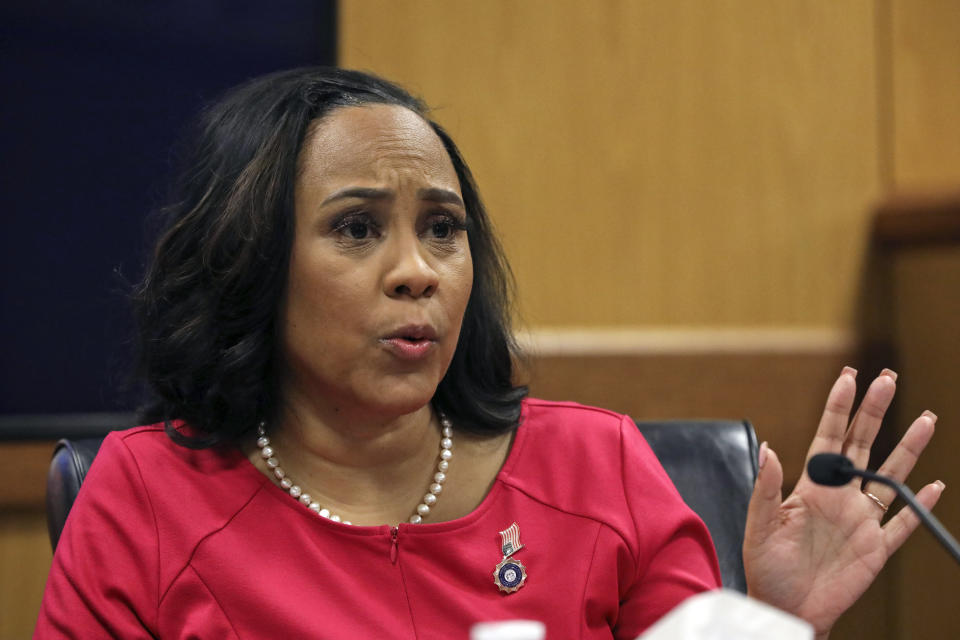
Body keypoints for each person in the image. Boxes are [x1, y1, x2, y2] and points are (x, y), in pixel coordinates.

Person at [35, 68, 943, 639]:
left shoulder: (600, 466)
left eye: (443, 230)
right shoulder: (143, 497)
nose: (417, 271)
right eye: (357, 229)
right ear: (254, 262)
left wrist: (773, 625)